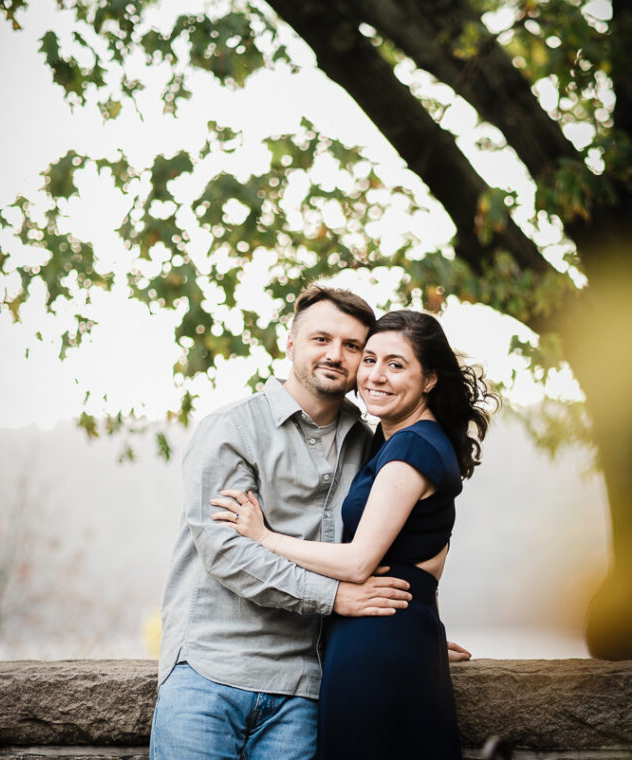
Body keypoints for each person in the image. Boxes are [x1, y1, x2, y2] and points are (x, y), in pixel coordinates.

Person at [150, 285, 418, 760]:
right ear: (290, 344)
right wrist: (336, 598)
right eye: (321, 339)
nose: (336, 355)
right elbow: (229, 553)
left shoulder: (369, 443)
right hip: (209, 672)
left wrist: (414, 631)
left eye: (353, 346)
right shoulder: (232, 429)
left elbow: (392, 543)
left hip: (306, 686)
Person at [213, 308, 494, 760]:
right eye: (370, 360)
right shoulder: (399, 438)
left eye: (396, 365)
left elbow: (360, 562)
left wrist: (265, 538)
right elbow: (427, 551)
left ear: (429, 380)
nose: (375, 377)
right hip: (392, 631)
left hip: (376, 645)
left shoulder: (410, 447)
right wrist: (422, 622)